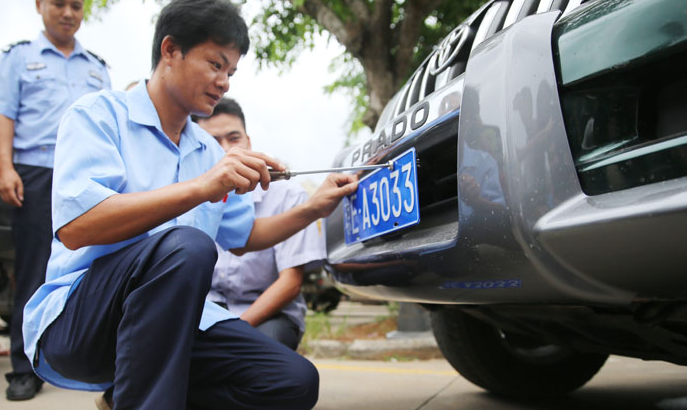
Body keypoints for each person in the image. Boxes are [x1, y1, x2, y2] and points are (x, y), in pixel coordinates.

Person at [21, 0, 357, 408]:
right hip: (82, 320)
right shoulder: (99, 116)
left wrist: (313, 208)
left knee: (291, 381)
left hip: (174, 323)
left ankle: (129, 398)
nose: (225, 82)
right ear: (170, 51)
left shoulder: (208, 151)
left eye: (231, 71)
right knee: (186, 246)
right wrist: (200, 188)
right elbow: (78, 228)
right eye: (215, 64)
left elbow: (246, 236)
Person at [0, 0, 110, 401]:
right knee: (32, 271)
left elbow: (112, 126)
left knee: (93, 265)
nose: (68, 12)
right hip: (35, 173)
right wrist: (5, 168)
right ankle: (25, 369)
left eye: (77, 5)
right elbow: (4, 116)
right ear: (39, 6)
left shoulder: (97, 67)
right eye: (59, 4)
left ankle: (91, 358)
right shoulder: (18, 58)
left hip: (86, 179)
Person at [197, 98, 324, 350]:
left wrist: (237, 331)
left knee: (253, 360)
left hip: (269, 313)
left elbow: (290, 283)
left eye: (234, 139)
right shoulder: (192, 195)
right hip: (209, 313)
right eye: (213, 142)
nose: (226, 151)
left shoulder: (289, 195)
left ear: (249, 142)